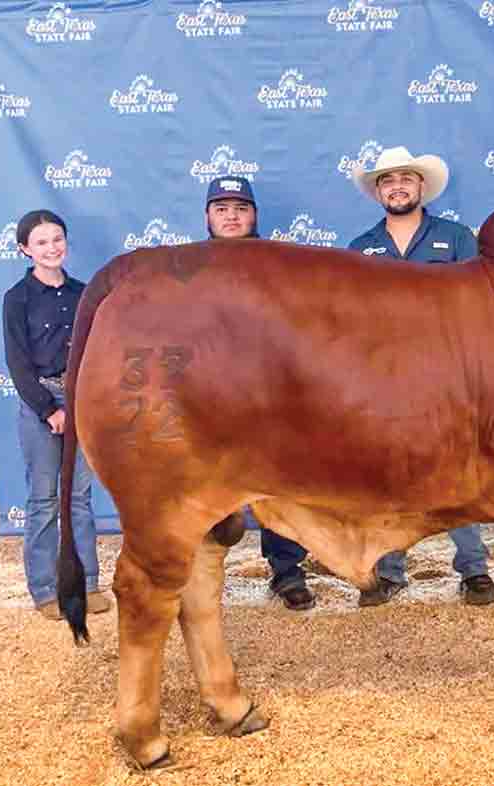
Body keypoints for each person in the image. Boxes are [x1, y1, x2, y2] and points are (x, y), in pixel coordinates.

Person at [348, 146, 494, 608]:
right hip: (385, 378)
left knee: (457, 469)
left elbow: (481, 301)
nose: (397, 187)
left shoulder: (455, 238)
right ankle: (390, 571)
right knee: (391, 472)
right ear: (378, 191)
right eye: (388, 180)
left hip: (448, 373)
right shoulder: (359, 249)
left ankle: (474, 570)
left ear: (420, 187)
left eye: (405, 179)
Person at [205, 176, 316, 611]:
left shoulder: (280, 263)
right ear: (207, 216)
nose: (232, 216)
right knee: (203, 487)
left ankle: (287, 573)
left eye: (240, 207)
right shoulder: (189, 268)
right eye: (222, 208)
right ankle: (204, 576)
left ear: (254, 215)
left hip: (269, 395)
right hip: (211, 397)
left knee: (277, 486)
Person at [2, 209, 111, 620]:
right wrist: (49, 409)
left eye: (57, 239)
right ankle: (46, 588)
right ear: (25, 250)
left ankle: (87, 583)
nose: (52, 248)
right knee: (45, 499)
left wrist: (80, 403)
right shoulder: (17, 298)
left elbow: (95, 352)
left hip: (80, 399)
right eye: (42, 242)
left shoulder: (84, 294)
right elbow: (17, 362)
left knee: (79, 498)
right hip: (40, 403)